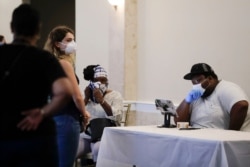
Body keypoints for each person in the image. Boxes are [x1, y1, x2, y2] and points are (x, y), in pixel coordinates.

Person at [0, 4, 73, 167]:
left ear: (12, 27)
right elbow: (64, 91)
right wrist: (42, 112)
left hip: (3, 137)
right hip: (38, 138)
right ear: (38, 30)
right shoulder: (44, 59)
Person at [44, 25, 90, 167]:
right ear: (57, 44)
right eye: (69, 40)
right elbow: (76, 95)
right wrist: (84, 113)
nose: (72, 44)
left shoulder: (49, 63)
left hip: (53, 118)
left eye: (73, 40)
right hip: (67, 118)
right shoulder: (64, 64)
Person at [174, 63, 250, 131]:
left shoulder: (226, 88)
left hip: (217, 141)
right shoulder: (196, 94)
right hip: (197, 140)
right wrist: (187, 100)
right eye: (193, 83)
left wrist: (230, 134)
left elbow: (241, 105)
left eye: (198, 81)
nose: (196, 86)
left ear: (210, 79)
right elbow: (179, 123)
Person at [77, 65, 123, 164]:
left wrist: (101, 101)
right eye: (97, 80)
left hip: (105, 135)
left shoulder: (115, 95)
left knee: (97, 149)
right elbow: (77, 115)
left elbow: (116, 117)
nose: (101, 83)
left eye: (103, 80)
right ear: (91, 82)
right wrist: (86, 98)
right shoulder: (86, 96)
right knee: (68, 148)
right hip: (87, 135)